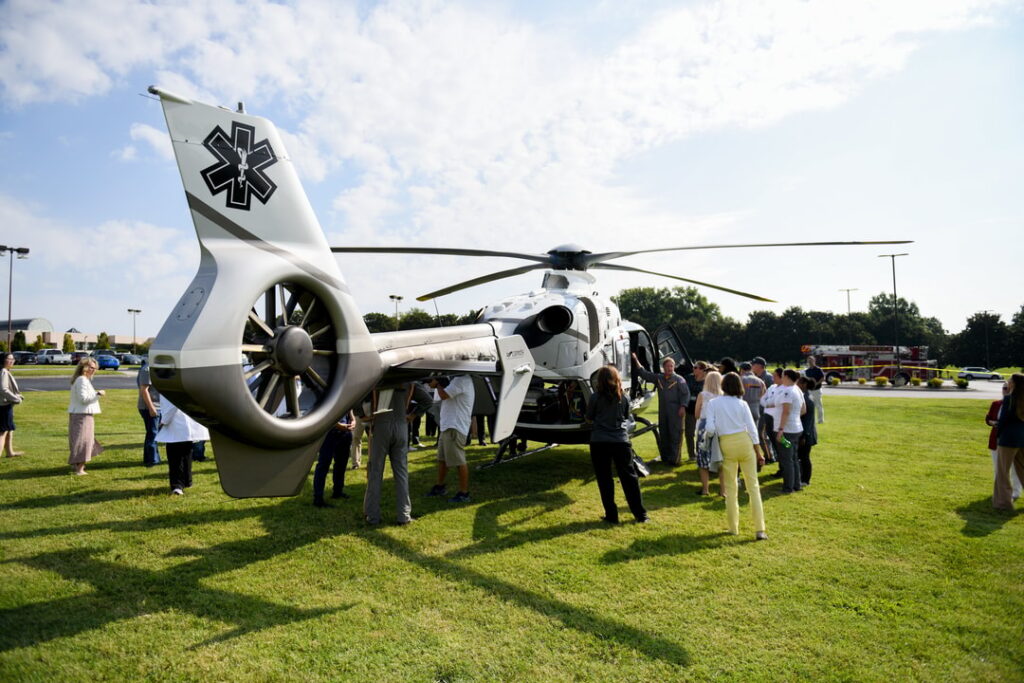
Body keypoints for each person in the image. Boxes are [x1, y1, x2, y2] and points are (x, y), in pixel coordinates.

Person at [703, 372, 768, 540]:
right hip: (745, 442)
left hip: (726, 445)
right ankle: (760, 529)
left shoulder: (713, 403)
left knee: (731, 489)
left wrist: (707, 440)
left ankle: (733, 528)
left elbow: (709, 429)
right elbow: (753, 430)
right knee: (753, 487)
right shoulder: (743, 404)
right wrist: (759, 452)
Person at [585, 365, 648, 524]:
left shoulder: (595, 397)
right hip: (620, 441)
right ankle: (641, 515)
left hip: (599, 441)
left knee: (604, 479)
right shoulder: (624, 397)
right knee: (630, 479)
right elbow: (626, 417)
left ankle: (612, 516)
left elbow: (589, 418)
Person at [364, 386, 414, 524]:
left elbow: (359, 394)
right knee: (402, 473)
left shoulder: (379, 375)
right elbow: (426, 399)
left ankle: (372, 515)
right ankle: (404, 515)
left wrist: (363, 415)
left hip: (381, 424)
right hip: (401, 424)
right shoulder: (408, 376)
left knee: (375, 472)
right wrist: (412, 416)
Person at [632, 354, 690, 466]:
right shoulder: (659, 378)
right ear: (663, 367)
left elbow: (685, 394)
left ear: (674, 367)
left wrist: (683, 406)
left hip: (676, 411)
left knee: (675, 434)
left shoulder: (679, 380)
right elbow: (645, 374)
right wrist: (635, 359)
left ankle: (675, 460)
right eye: (668, 366)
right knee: (664, 433)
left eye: (672, 366)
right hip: (663, 411)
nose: (670, 368)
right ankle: (665, 458)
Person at [426, 375, 475, 503]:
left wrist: (437, 384)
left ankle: (464, 493)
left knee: (459, 461)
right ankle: (440, 486)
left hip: (455, 426)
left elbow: (444, 395)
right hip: (448, 426)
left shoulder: (461, 380)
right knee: (442, 459)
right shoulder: (457, 380)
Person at [155, 398, 210, 495]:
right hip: (185, 426)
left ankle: (177, 485)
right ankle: (187, 481)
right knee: (186, 455)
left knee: (175, 458)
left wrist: (163, 421)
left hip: (176, 427)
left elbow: (172, 406)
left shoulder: (168, 386)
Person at [68, 358, 105, 475]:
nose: (92, 370)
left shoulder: (83, 380)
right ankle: (79, 469)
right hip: (82, 415)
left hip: (82, 414)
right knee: (84, 442)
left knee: (82, 441)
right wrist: (98, 394)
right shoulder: (82, 380)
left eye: (94, 368)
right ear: (83, 367)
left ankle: (78, 467)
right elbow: (84, 399)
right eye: (90, 367)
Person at [993, 373, 1024, 510]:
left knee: (1002, 472)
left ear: (1014, 384)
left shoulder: (1009, 399)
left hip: (1008, 439)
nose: (1008, 382)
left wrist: (998, 434)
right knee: (1022, 469)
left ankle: (1003, 503)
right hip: (1022, 438)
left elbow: (1003, 420)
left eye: (1009, 380)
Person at [312, 410, 355, 507]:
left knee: (341, 464)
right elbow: (324, 412)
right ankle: (318, 499)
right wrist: (338, 425)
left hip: (345, 433)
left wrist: (353, 420)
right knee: (323, 465)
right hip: (329, 433)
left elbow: (349, 408)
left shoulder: (346, 395)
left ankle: (338, 492)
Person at [986, 386, 1021, 503]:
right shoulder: (996, 403)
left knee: (1015, 469)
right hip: (996, 440)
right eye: (1003, 388)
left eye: (1007, 388)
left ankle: (1016, 492)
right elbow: (988, 418)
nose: (1005, 390)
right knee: (998, 468)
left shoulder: (1017, 404)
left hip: (1012, 441)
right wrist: (992, 422)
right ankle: (1000, 493)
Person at [774, 369, 806, 494]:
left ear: (786, 376)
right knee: (793, 458)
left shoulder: (787, 391)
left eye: (782, 376)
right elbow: (803, 409)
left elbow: (786, 411)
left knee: (787, 459)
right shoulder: (797, 389)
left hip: (787, 430)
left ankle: (788, 487)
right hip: (796, 429)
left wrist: (781, 429)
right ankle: (796, 484)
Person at [694, 370, 723, 496]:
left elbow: (696, 414)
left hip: (705, 426)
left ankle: (705, 489)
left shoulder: (703, 395)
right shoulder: (723, 396)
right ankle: (723, 490)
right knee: (720, 459)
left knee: (703, 458)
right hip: (720, 427)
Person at [136, 356, 162, 466]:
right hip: (149, 407)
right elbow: (144, 390)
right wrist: (151, 408)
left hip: (158, 406)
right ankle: (152, 460)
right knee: (153, 433)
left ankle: (152, 458)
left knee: (154, 433)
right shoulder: (147, 369)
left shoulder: (156, 368)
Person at [1, 353, 25, 458]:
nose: (12, 361)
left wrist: (17, 395)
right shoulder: (3, 372)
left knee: (9, 429)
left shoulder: (5, 371)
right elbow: (3, 389)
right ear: (3, 360)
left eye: (13, 359)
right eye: (9, 359)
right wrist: (16, 399)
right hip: (3, 406)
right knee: (2, 432)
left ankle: (10, 452)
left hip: (5, 405)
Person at [684, 361, 709, 461]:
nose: (694, 369)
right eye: (694, 367)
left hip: (703, 410)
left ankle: (701, 453)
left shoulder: (707, 381)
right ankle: (691, 455)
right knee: (689, 433)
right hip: (690, 409)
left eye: (696, 367)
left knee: (702, 432)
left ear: (703, 370)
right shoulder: (688, 378)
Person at [796, 376, 818, 487]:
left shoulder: (807, 399)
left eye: (798, 382)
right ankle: (800, 477)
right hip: (804, 434)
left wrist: (804, 436)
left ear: (803, 384)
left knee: (804, 457)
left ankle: (805, 480)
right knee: (800, 456)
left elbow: (808, 421)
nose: (796, 384)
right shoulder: (803, 396)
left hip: (806, 435)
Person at [804, 355, 825, 424]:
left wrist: (816, 383)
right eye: (808, 361)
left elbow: (822, 378)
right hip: (810, 391)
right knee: (809, 406)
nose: (810, 362)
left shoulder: (818, 369)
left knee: (819, 405)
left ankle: (820, 420)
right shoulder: (807, 371)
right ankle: (811, 420)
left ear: (814, 361)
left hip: (817, 390)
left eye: (811, 360)